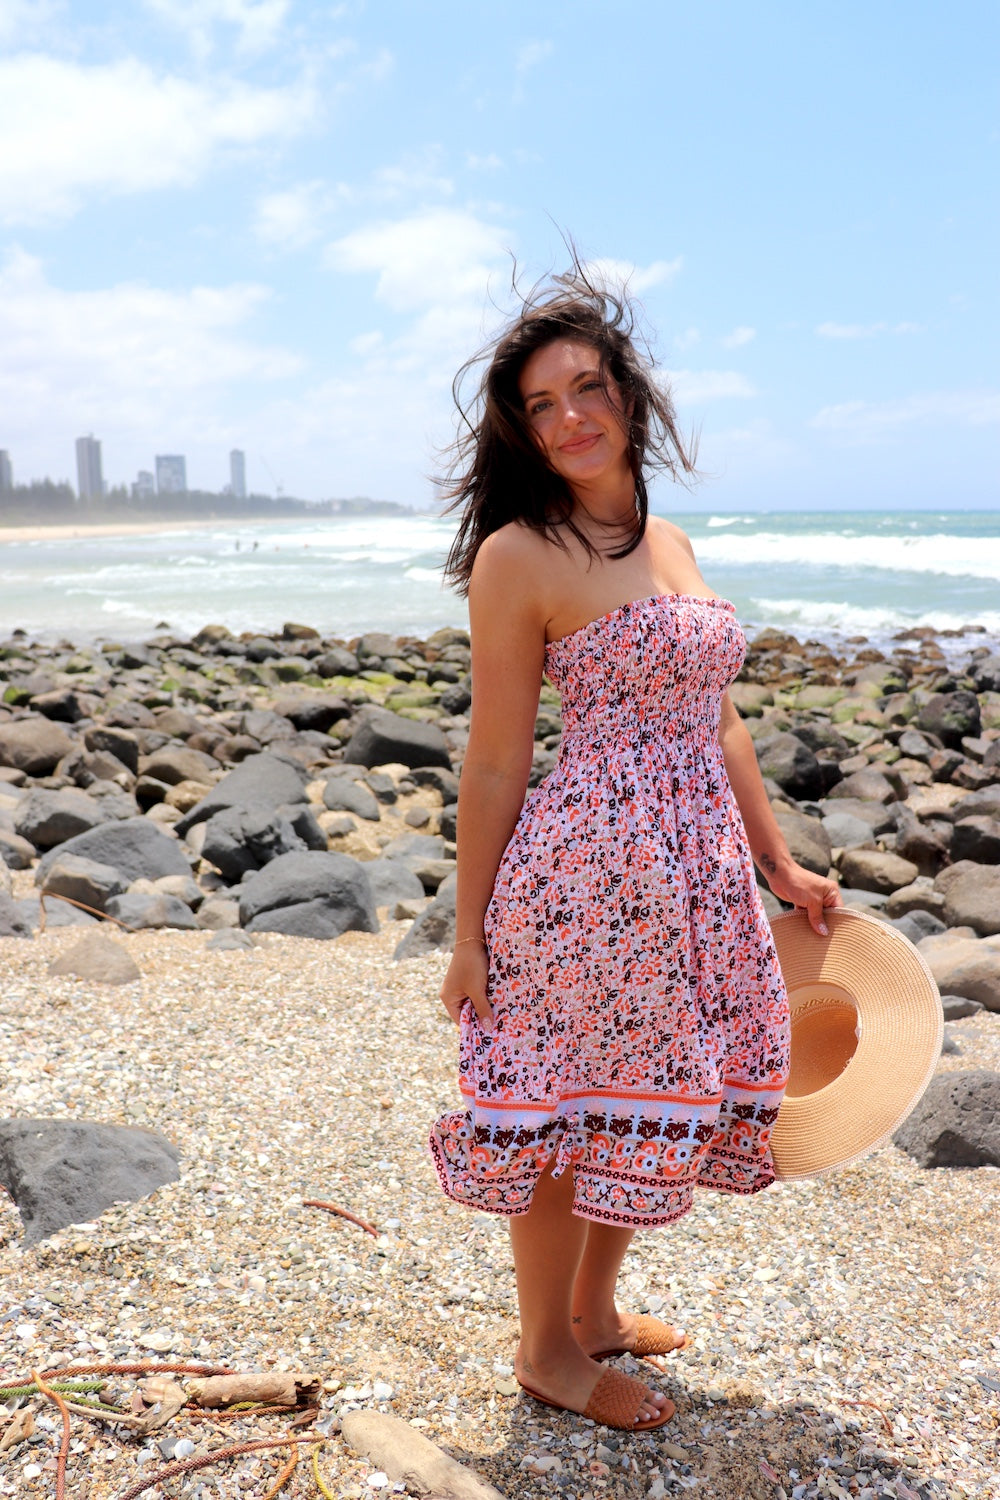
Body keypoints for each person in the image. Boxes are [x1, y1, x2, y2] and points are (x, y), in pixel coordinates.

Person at [428, 269, 841, 1432]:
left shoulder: (670, 539)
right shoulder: (519, 554)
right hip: (588, 879)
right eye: (540, 404)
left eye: (587, 389)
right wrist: (468, 935)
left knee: (649, 1097)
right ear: (522, 430)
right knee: (568, 1111)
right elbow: (495, 760)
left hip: (695, 876)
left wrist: (775, 862)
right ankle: (543, 1350)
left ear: (630, 396)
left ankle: (595, 1313)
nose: (568, 417)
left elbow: (719, 720)